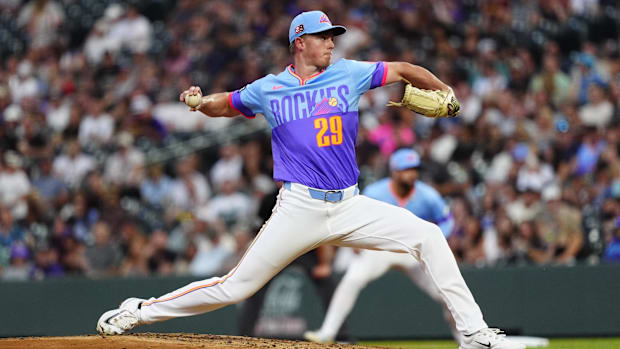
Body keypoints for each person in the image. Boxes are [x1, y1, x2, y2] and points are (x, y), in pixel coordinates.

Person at [96, 11, 524, 349]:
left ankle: (473, 333)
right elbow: (226, 104)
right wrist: (198, 102)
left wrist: (445, 89)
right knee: (234, 287)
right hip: (299, 206)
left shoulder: (349, 73)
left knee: (429, 236)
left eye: (332, 36)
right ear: (300, 42)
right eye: (323, 37)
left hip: (349, 204)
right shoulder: (270, 88)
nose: (331, 43)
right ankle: (139, 310)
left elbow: (405, 68)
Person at [303, 148, 461, 344]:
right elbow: (356, 217)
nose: (412, 174)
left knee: (445, 292)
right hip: (379, 250)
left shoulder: (427, 195)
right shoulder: (375, 191)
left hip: (412, 252)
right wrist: (357, 239)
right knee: (352, 280)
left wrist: (437, 240)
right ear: (394, 171)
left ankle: (464, 338)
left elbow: (446, 220)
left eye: (414, 169)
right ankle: (327, 331)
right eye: (406, 169)